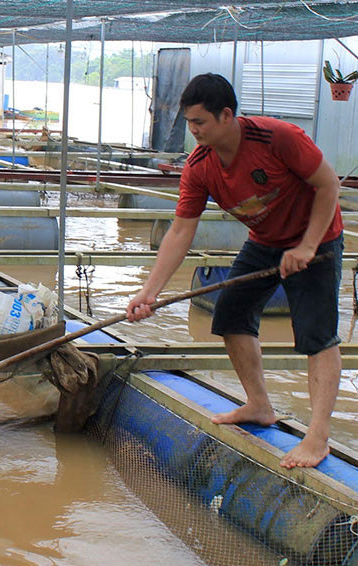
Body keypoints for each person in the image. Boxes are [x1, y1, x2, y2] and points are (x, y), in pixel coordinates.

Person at [126, 73, 343, 469]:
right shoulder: (200, 165)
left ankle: (318, 436)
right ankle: (259, 405)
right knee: (229, 315)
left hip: (317, 238)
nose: (192, 131)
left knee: (316, 334)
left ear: (226, 115)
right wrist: (149, 291)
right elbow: (181, 229)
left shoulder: (278, 138)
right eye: (189, 123)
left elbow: (328, 186)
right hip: (265, 240)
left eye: (199, 122)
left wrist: (308, 246)